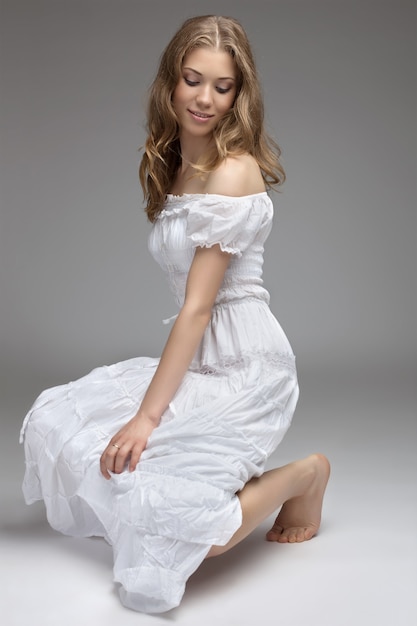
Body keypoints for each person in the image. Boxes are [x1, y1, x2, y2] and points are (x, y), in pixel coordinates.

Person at [20, 15, 330, 614]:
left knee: (187, 530)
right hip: (199, 362)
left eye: (223, 86)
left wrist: (146, 419)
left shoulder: (232, 171)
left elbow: (196, 308)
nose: (206, 99)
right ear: (171, 81)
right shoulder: (176, 162)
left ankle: (305, 476)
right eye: (193, 80)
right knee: (59, 425)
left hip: (246, 367)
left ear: (241, 94)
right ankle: (202, 471)